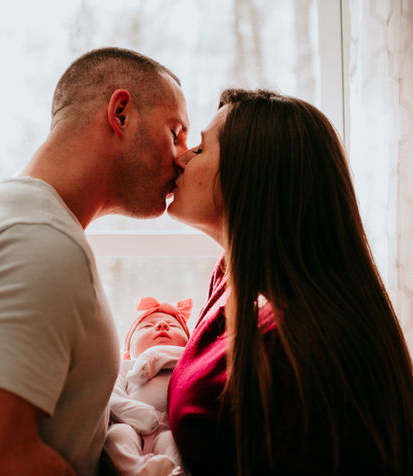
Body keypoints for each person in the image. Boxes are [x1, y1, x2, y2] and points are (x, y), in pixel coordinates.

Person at [0, 47, 189, 475]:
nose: (182, 156)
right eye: (175, 131)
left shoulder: (16, 219)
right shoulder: (35, 239)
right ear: (121, 113)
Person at [167, 88, 413, 475]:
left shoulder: (296, 350)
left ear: (250, 173)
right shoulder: (230, 278)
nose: (181, 158)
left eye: (200, 149)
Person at [104, 296, 191, 476]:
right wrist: (132, 412)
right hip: (129, 423)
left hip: (166, 427)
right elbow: (111, 394)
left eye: (173, 326)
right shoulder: (125, 366)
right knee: (116, 436)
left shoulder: (185, 365)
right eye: (147, 326)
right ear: (128, 352)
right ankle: (135, 469)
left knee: (172, 444)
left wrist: (155, 355)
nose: (162, 325)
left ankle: (173, 471)